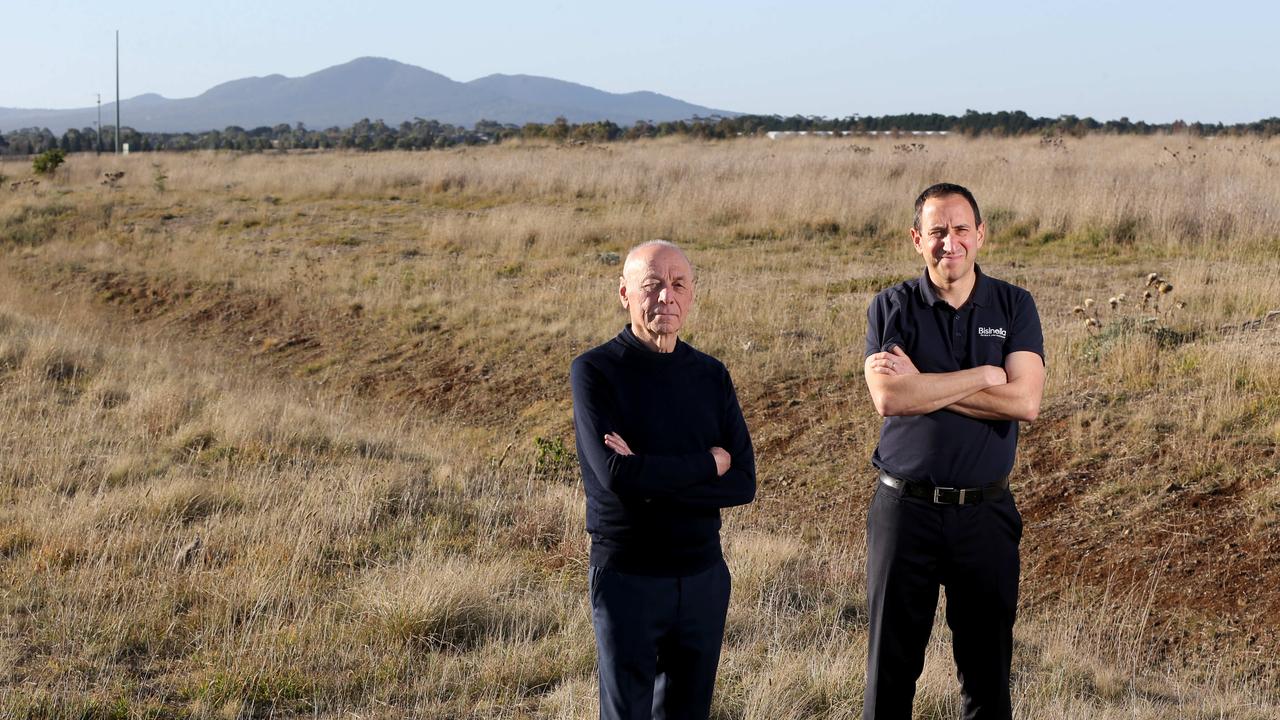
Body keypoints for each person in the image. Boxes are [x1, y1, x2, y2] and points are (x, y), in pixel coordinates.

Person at [861, 183, 1045, 720]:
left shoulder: (1014, 305)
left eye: (961, 229)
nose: (950, 243)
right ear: (917, 239)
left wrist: (933, 386)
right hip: (905, 512)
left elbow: (1026, 401)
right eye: (937, 231)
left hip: (984, 516)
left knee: (987, 675)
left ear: (980, 235)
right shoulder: (892, 306)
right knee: (890, 671)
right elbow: (892, 397)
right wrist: (986, 376)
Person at [570, 239, 756, 720]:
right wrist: (706, 463)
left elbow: (743, 483)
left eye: (678, 285)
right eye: (651, 286)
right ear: (625, 293)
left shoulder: (711, 375)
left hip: (703, 577)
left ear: (692, 294)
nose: (665, 298)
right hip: (628, 576)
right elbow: (615, 477)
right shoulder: (595, 371)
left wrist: (648, 473)